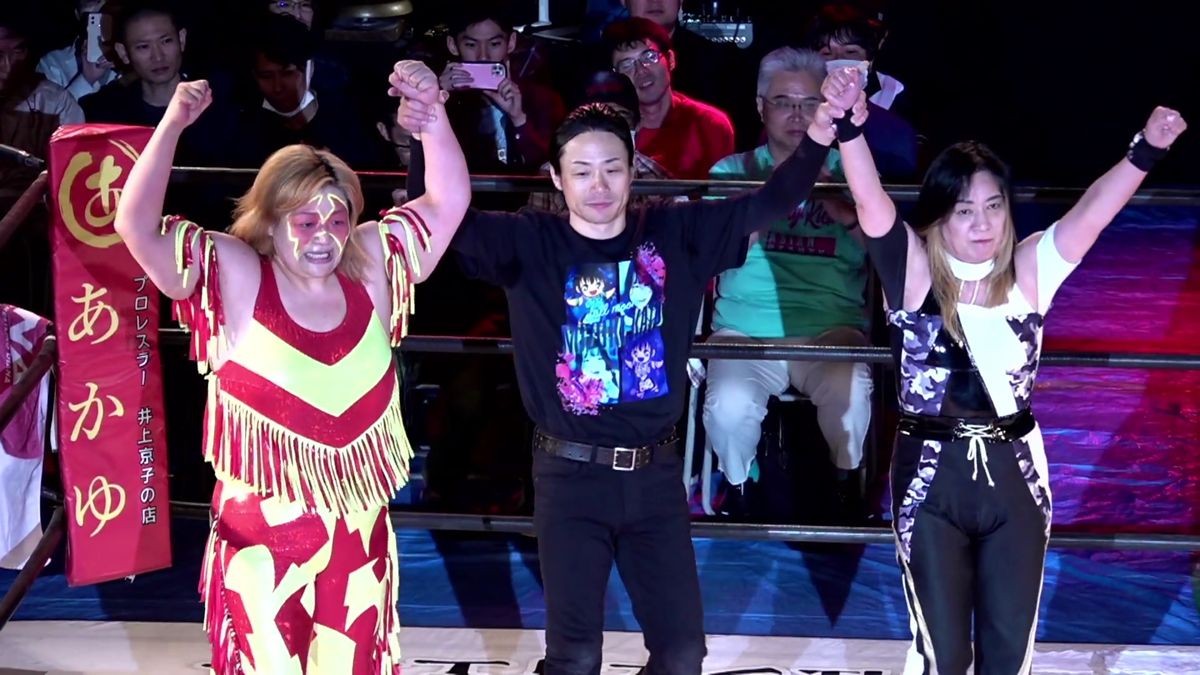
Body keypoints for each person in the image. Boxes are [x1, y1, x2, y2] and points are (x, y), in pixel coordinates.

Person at [403, 66, 864, 674]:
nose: (598, 186)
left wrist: (823, 131)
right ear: (556, 177)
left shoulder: (674, 230)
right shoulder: (529, 241)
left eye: (612, 169)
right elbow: (441, 215)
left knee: (681, 653)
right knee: (575, 656)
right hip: (569, 477)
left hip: (655, 477)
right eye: (581, 172)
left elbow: (773, 199)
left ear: (632, 169)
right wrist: (426, 129)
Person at [824, 65, 1187, 673]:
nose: (983, 224)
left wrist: (1146, 149)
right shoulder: (912, 268)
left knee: (1008, 656)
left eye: (993, 206)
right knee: (941, 654)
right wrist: (848, 128)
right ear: (940, 214)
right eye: (965, 210)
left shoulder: (1029, 268)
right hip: (929, 480)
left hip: (1016, 478)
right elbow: (870, 201)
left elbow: (1094, 213)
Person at [112, 60, 469, 674]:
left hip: (358, 532)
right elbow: (135, 226)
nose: (324, 237)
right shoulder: (235, 272)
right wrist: (170, 126)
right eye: (306, 222)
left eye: (337, 219)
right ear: (272, 223)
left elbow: (447, 201)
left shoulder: (371, 263)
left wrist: (433, 116)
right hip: (262, 533)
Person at [702, 47, 871, 518]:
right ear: (761, 107)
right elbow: (712, 251)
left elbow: (888, 252)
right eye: (783, 102)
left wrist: (837, 203)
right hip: (744, 330)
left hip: (831, 328)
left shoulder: (850, 168)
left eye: (809, 103)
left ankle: (845, 485)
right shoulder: (732, 172)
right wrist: (775, 194)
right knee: (729, 407)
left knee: (852, 395)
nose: (797, 115)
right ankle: (740, 485)